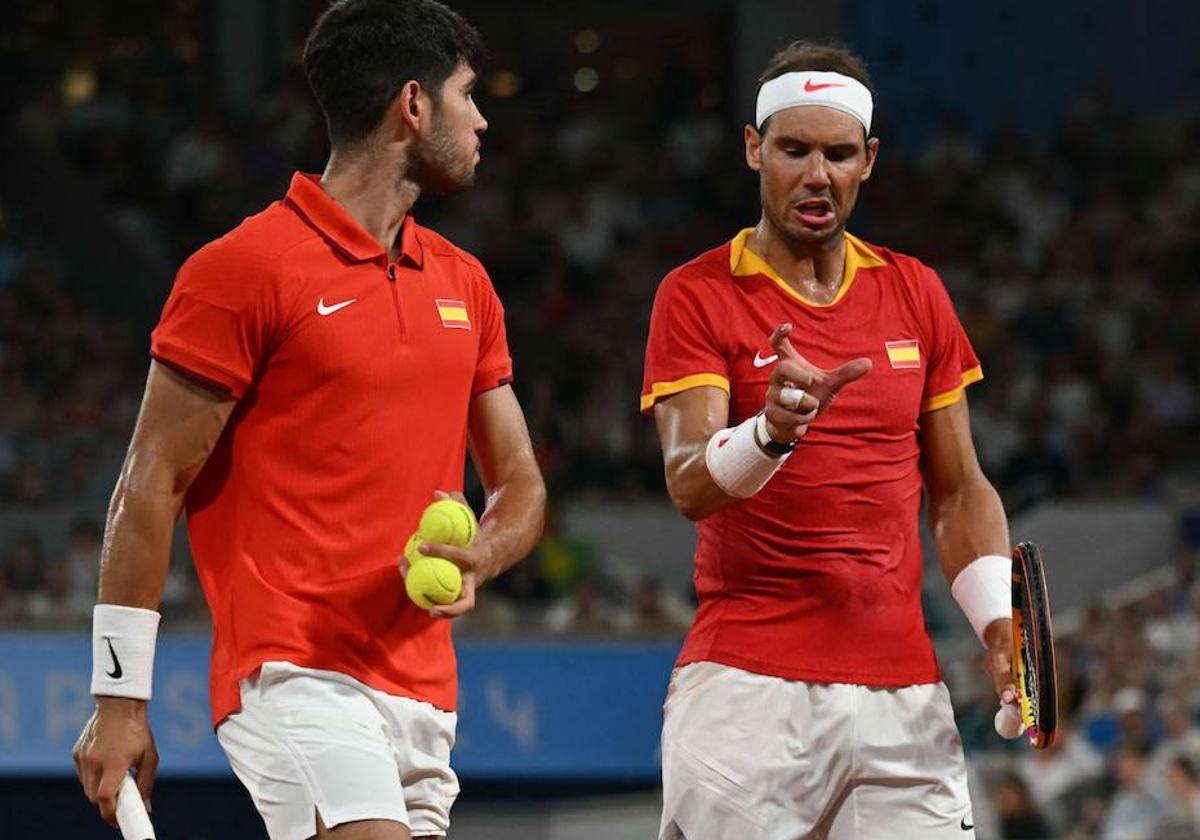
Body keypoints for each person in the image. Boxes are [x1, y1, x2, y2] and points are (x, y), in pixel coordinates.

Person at [72, 2, 546, 838]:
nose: (482, 117)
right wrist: (119, 702)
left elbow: (520, 484)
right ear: (413, 104)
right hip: (294, 676)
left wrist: (485, 552)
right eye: (468, 94)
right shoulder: (244, 270)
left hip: (426, 693)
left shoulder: (467, 284)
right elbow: (149, 483)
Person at [641, 42, 1017, 838]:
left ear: (869, 160)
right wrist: (771, 432)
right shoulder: (697, 294)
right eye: (794, 149)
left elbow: (958, 489)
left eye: (838, 153)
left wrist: (995, 622)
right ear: (754, 149)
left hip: (907, 697)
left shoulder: (915, 290)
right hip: (747, 690)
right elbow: (687, 482)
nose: (817, 174)